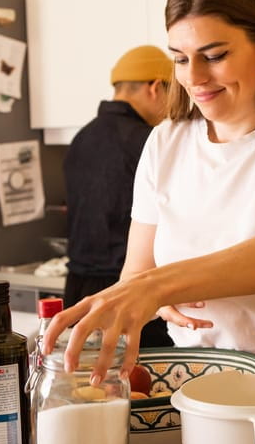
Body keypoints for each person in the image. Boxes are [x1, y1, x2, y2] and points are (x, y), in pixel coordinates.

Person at [43, 0, 255, 401]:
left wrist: (164, 285)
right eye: (180, 59)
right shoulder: (165, 142)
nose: (193, 77)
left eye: (214, 55)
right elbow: (138, 269)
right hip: (196, 386)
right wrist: (144, 291)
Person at [63, 45, 173, 347]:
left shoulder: (80, 138)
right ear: (155, 88)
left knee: (88, 388)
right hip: (127, 289)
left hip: (77, 290)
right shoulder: (149, 141)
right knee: (135, 386)